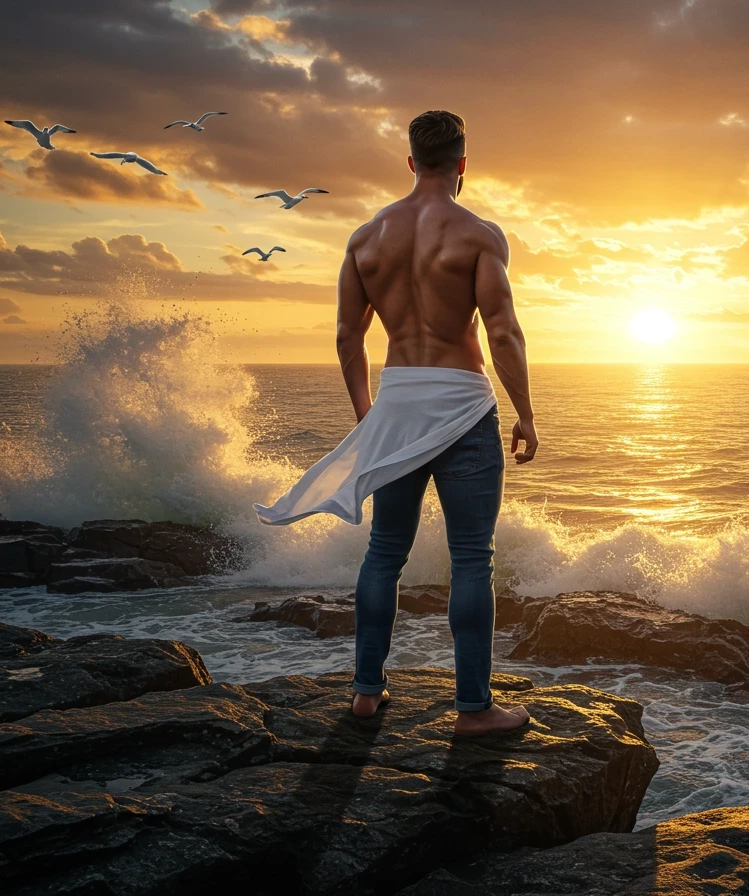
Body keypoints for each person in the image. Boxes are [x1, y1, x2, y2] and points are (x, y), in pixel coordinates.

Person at [254, 110, 537, 735]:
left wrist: (370, 417)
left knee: (384, 554)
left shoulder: (366, 237)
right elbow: (503, 332)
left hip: (397, 401)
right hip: (463, 404)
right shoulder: (479, 235)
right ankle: (473, 710)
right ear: (464, 163)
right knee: (470, 559)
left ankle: (364, 691)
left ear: (411, 162)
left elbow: (346, 336)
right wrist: (525, 414)